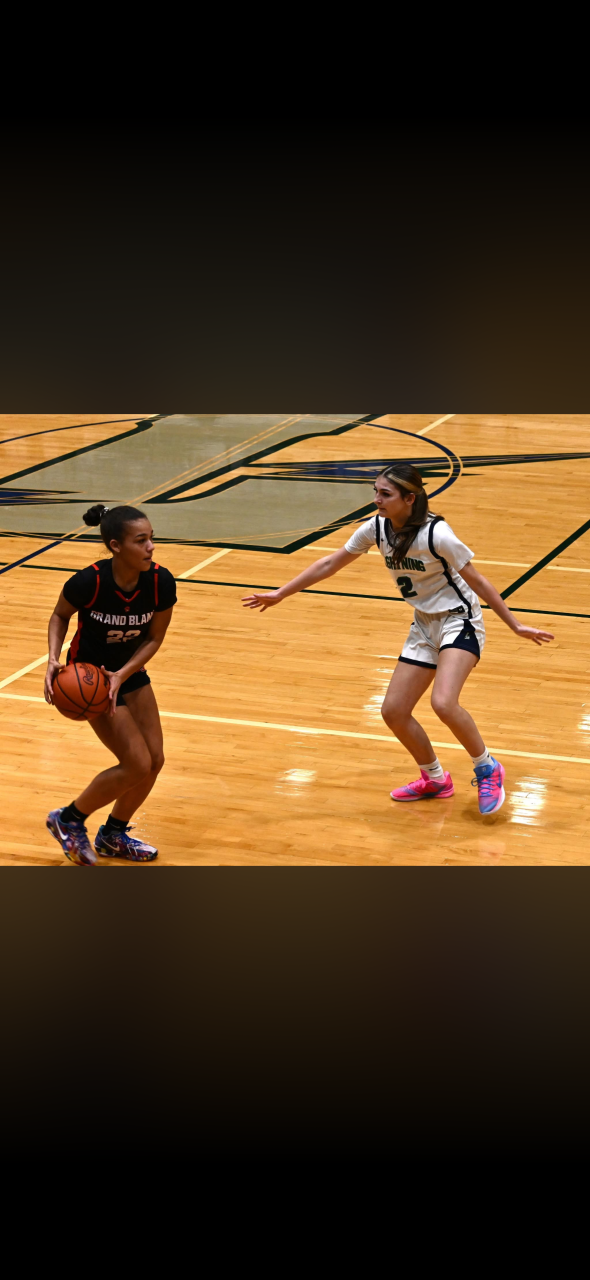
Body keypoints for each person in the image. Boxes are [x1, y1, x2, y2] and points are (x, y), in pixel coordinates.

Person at [242, 462, 554, 815]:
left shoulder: (438, 534)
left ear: (409, 498)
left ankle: (487, 767)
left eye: (385, 494)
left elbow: (478, 581)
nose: (377, 499)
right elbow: (330, 563)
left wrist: (515, 625)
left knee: (443, 703)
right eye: (375, 491)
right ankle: (435, 779)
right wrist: (281, 593)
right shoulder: (376, 528)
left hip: (459, 621)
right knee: (393, 711)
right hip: (423, 624)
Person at [44, 504, 177, 864]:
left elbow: (154, 638)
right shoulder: (89, 581)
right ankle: (68, 819)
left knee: (155, 760)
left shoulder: (160, 582)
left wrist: (124, 673)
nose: (151, 547)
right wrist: (53, 658)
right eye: (141, 540)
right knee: (136, 763)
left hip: (128, 672)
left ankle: (113, 835)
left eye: (151, 538)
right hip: (91, 677)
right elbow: (59, 615)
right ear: (116, 546)